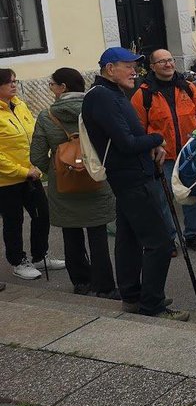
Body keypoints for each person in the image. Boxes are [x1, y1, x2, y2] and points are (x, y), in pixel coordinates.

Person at [81, 48, 188, 320]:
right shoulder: (103, 97)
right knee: (160, 242)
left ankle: (132, 296)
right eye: (128, 66)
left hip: (132, 175)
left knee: (128, 239)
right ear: (109, 68)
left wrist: (150, 143)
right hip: (132, 178)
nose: (134, 72)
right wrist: (157, 140)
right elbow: (127, 143)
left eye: (135, 67)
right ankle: (152, 304)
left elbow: (129, 137)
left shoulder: (112, 93)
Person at [30, 68, 117, 296]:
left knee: (71, 234)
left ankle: (81, 281)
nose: (50, 88)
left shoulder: (46, 116)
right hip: (96, 177)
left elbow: (37, 156)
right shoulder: (95, 109)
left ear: (63, 87)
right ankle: (105, 286)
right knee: (98, 235)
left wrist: (61, 166)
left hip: (63, 184)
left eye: (52, 84)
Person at [132, 49, 196, 254]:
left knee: (194, 196)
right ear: (153, 66)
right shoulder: (143, 94)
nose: (168, 64)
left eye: (170, 60)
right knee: (163, 199)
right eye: (162, 61)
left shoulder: (188, 88)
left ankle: (192, 235)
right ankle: (169, 238)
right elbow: (138, 126)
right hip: (162, 157)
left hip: (189, 154)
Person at [0, 68, 64, 280]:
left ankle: (40, 255)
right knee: (13, 221)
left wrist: (37, 164)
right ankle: (18, 261)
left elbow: (34, 135)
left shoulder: (20, 105)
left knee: (42, 214)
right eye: (9, 82)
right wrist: (21, 170)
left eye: (15, 81)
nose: (14, 85)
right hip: (7, 180)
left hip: (32, 174)